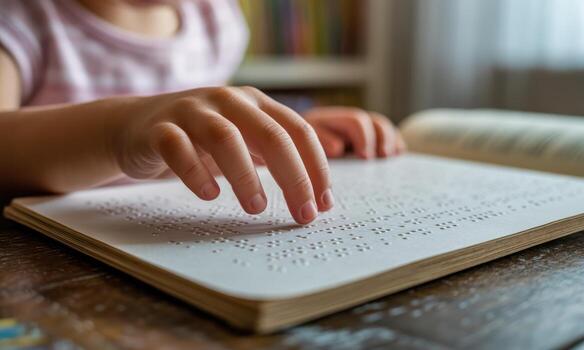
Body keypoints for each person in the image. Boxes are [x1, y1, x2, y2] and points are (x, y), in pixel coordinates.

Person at [0, 0, 405, 224]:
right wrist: (119, 134)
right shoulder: (21, 18)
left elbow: (213, 120)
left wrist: (285, 127)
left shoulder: (213, 18)